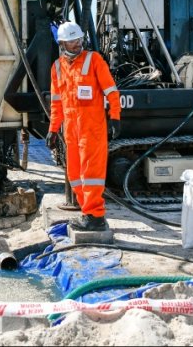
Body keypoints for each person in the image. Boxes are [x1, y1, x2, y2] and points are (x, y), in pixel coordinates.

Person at [45, 21, 122, 232]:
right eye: (71, 42)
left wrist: (114, 117)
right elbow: (56, 102)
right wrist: (53, 129)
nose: (77, 44)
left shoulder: (94, 60)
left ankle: (95, 216)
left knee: (91, 174)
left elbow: (111, 91)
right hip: (71, 129)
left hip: (92, 128)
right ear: (62, 44)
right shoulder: (57, 68)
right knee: (75, 175)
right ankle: (87, 212)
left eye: (78, 40)